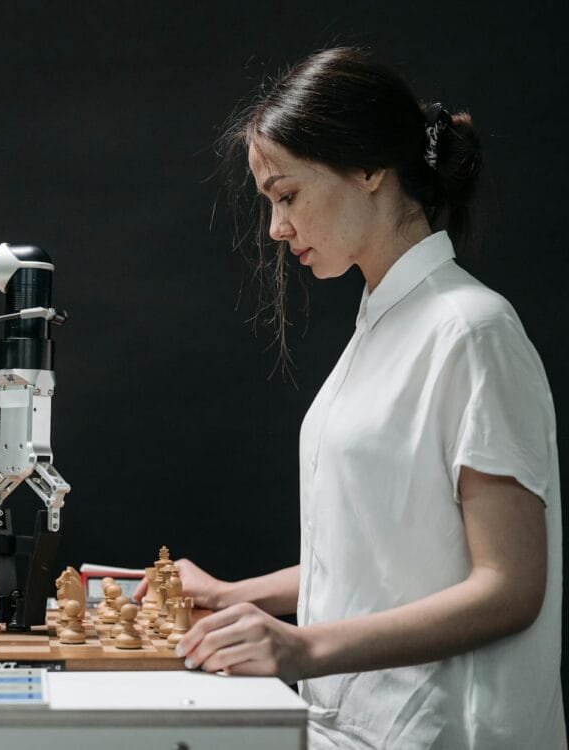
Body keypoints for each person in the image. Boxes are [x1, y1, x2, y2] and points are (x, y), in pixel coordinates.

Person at [136, 48, 564, 749]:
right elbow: (387, 554)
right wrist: (234, 594)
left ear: (368, 167)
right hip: (356, 727)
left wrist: (302, 647)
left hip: (443, 733)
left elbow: (510, 586)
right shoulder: (383, 324)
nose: (277, 229)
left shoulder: (470, 329)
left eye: (287, 195)